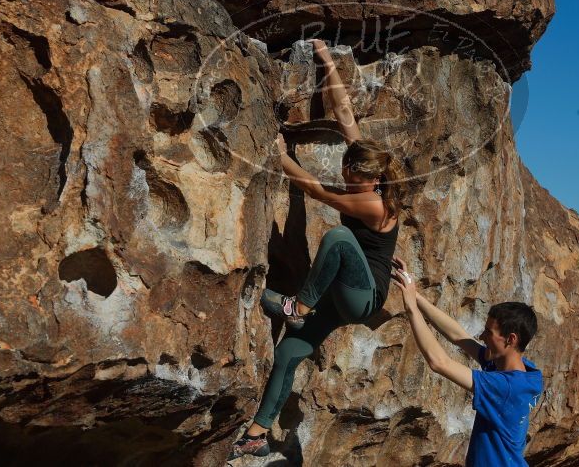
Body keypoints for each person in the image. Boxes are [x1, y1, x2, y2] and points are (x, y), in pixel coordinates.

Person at [229, 39, 404, 460]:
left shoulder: (374, 202)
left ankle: (298, 308)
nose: (348, 180)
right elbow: (345, 114)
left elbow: (315, 191)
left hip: (362, 298)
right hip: (341, 293)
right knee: (290, 350)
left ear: (373, 181)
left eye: (353, 179)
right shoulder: (366, 164)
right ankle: (257, 434)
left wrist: (279, 156)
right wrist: (325, 58)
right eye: (347, 174)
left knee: (338, 238)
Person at [391, 257, 543, 467]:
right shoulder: (520, 371)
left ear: (511, 339)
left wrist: (411, 309)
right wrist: (415, 295)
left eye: (489, 333)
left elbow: (439, 362)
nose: (481, 337)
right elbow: (459, 336)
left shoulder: (506, 387)